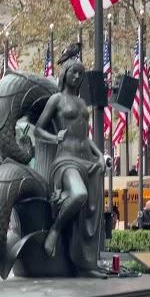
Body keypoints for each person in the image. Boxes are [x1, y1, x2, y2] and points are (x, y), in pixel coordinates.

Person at [33, 59, 107, 278]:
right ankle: (55, 230)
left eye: (80, 73)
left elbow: (86, 136)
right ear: (65, 74)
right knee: (79, 195)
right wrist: (54, 137)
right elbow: (37, 130)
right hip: (65, 160)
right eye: (73, 72)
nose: (76, 76)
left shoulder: (83, 103)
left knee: (91, 213)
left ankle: (86, 266)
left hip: (87, 159)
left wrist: (100, 154)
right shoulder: (56, 99)